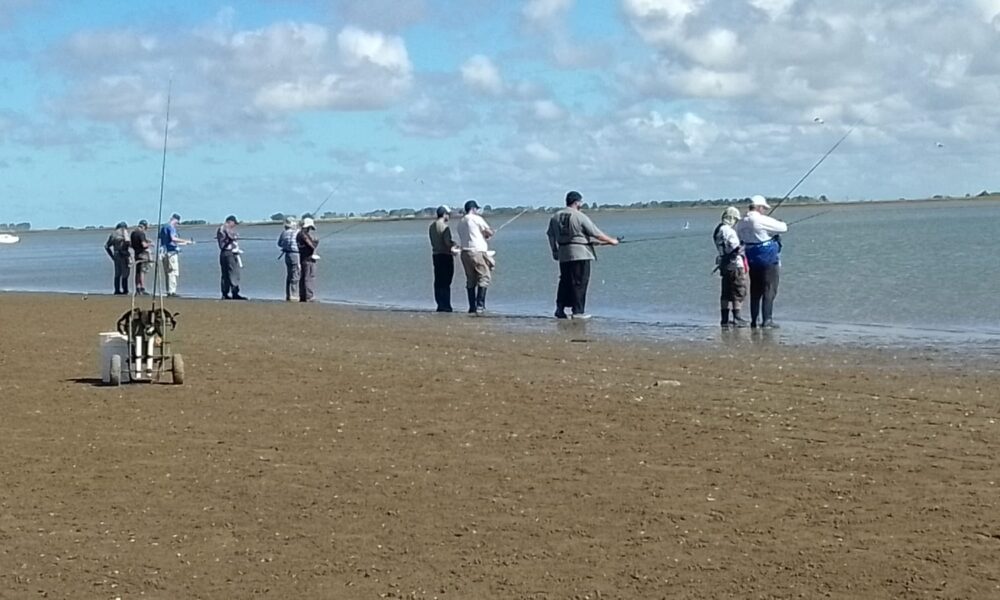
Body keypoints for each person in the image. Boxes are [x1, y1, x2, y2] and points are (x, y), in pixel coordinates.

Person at [546, 190, 619, 320]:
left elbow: (550, 235)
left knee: (564, 282)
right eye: (581, 201)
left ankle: (560, 309)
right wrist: (611, 241)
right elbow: (595, 233)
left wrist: (554, 250)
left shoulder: (555, 216)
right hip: (580, 254)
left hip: (564, 254)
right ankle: (578, 311)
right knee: (580, 282)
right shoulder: (580, 216)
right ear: (576, 202)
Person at [735, 195, 788, 328]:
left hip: (752, 259)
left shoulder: (741, 222)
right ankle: (767, 320)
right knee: (770, 289)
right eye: (763, 208)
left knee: (755, 290)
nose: (764, 210)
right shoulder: (760, 220)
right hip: (768, 259)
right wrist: (778, 223)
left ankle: (754, 320)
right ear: (759, 207)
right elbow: (783, 228)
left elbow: (741, 238)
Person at [456, 200, 494, 314]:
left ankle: (472, 307)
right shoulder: (476, 218)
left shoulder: (461, 222)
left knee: (471, 279)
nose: (477, 211)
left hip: (465, 253)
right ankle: (480, 306)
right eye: (476, 209)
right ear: (473, 209)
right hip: (477, 252)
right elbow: (488, 232)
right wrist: (489, 233)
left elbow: (471, 235)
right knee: (484, 277)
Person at [713, 206, 749, 328]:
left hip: (724, 264)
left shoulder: (718, 230)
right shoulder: (729, 231)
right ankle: (737, 318)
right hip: (734, 265)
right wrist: (744, 244)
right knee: (738, 290)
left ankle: (724, 319)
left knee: (726, 292)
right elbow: (735, 248)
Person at [428, 205, 458, 312]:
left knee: (438, 281)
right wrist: (454, 245)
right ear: (444, 214)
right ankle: (446, 305)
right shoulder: (445, 227)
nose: (449, 217)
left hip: (436, 255)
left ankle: (440, 304)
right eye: (448, 214)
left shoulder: (431, 226)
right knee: (446, 282)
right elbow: (447, 242)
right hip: (445, 255)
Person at [158, 213, 193, 297]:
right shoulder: (171, 227)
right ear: (175, 220)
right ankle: (172, 291)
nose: (177, 225)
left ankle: (168, 290)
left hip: (164, 252)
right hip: (171, 253)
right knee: (172, 272)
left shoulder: (164, 227)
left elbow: (163, 239)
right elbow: (173, 239)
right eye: (177, 223)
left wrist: (184, 243)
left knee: (167, 272)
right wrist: (186, 241)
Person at [217, 215, 246, 300]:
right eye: (234, 223)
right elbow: (231, 236)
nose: (234, 226)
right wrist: (235, 236)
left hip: (223, 253)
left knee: (225, 274)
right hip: (229, 253)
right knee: (234, 273)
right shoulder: (225, 227)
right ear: (230, 221)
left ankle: (225, 293)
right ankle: (234, 293)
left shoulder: (220, 228)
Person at [104, 221, 132, 295]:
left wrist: (112, 256)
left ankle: (117, 290)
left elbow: (106, 246)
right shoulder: (125, 232)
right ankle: (125, 290)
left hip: (116, 254)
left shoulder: (113, 234)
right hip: (124, 254)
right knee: (125, 273)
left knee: (117, 273)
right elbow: (129, 243)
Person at [276, 216, 300, 301]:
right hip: (295, 254)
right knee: (295, 274)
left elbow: (279, 243)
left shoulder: (284, 233)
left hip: (287, 255)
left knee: (289, 274)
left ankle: (288, 294)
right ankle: (294, 295)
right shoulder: (297, 232)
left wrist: (285, 246)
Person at [296, 217, 319, 302]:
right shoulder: (304, 235)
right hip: (308, 258)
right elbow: (311, 246)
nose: (310, 230)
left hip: (302, 258)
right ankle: (309, 296)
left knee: (304, 277)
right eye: (310, 228)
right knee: (309, 277)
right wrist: (316, 242)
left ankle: (303, 296)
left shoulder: (298, 234)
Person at [130, 220, 151, 295]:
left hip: (136, 254)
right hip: (143, 254)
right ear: (144, 226)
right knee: (142, 272)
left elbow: (132, 244)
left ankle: (137, 288)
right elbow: (144, 245)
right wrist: (150, 244)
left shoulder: (133, 233)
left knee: (137, 272)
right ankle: (142, 288)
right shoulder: (141, 233)